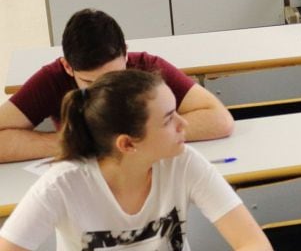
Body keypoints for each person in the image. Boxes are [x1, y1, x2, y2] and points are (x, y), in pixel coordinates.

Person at [0, 69, 273, 251]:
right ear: (128, 144)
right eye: (168, 120)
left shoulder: (183, 162)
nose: (184, 124)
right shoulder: (61, 184)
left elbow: (258, 249)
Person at [0, 9, 233, 163]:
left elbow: (219, 120)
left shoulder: (146, 66)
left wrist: (141, 137)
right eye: (90, 83)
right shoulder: (52, 78)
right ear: (67, 67)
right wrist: (77, 142)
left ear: (126, 55)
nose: (105, 90)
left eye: (114, 76)